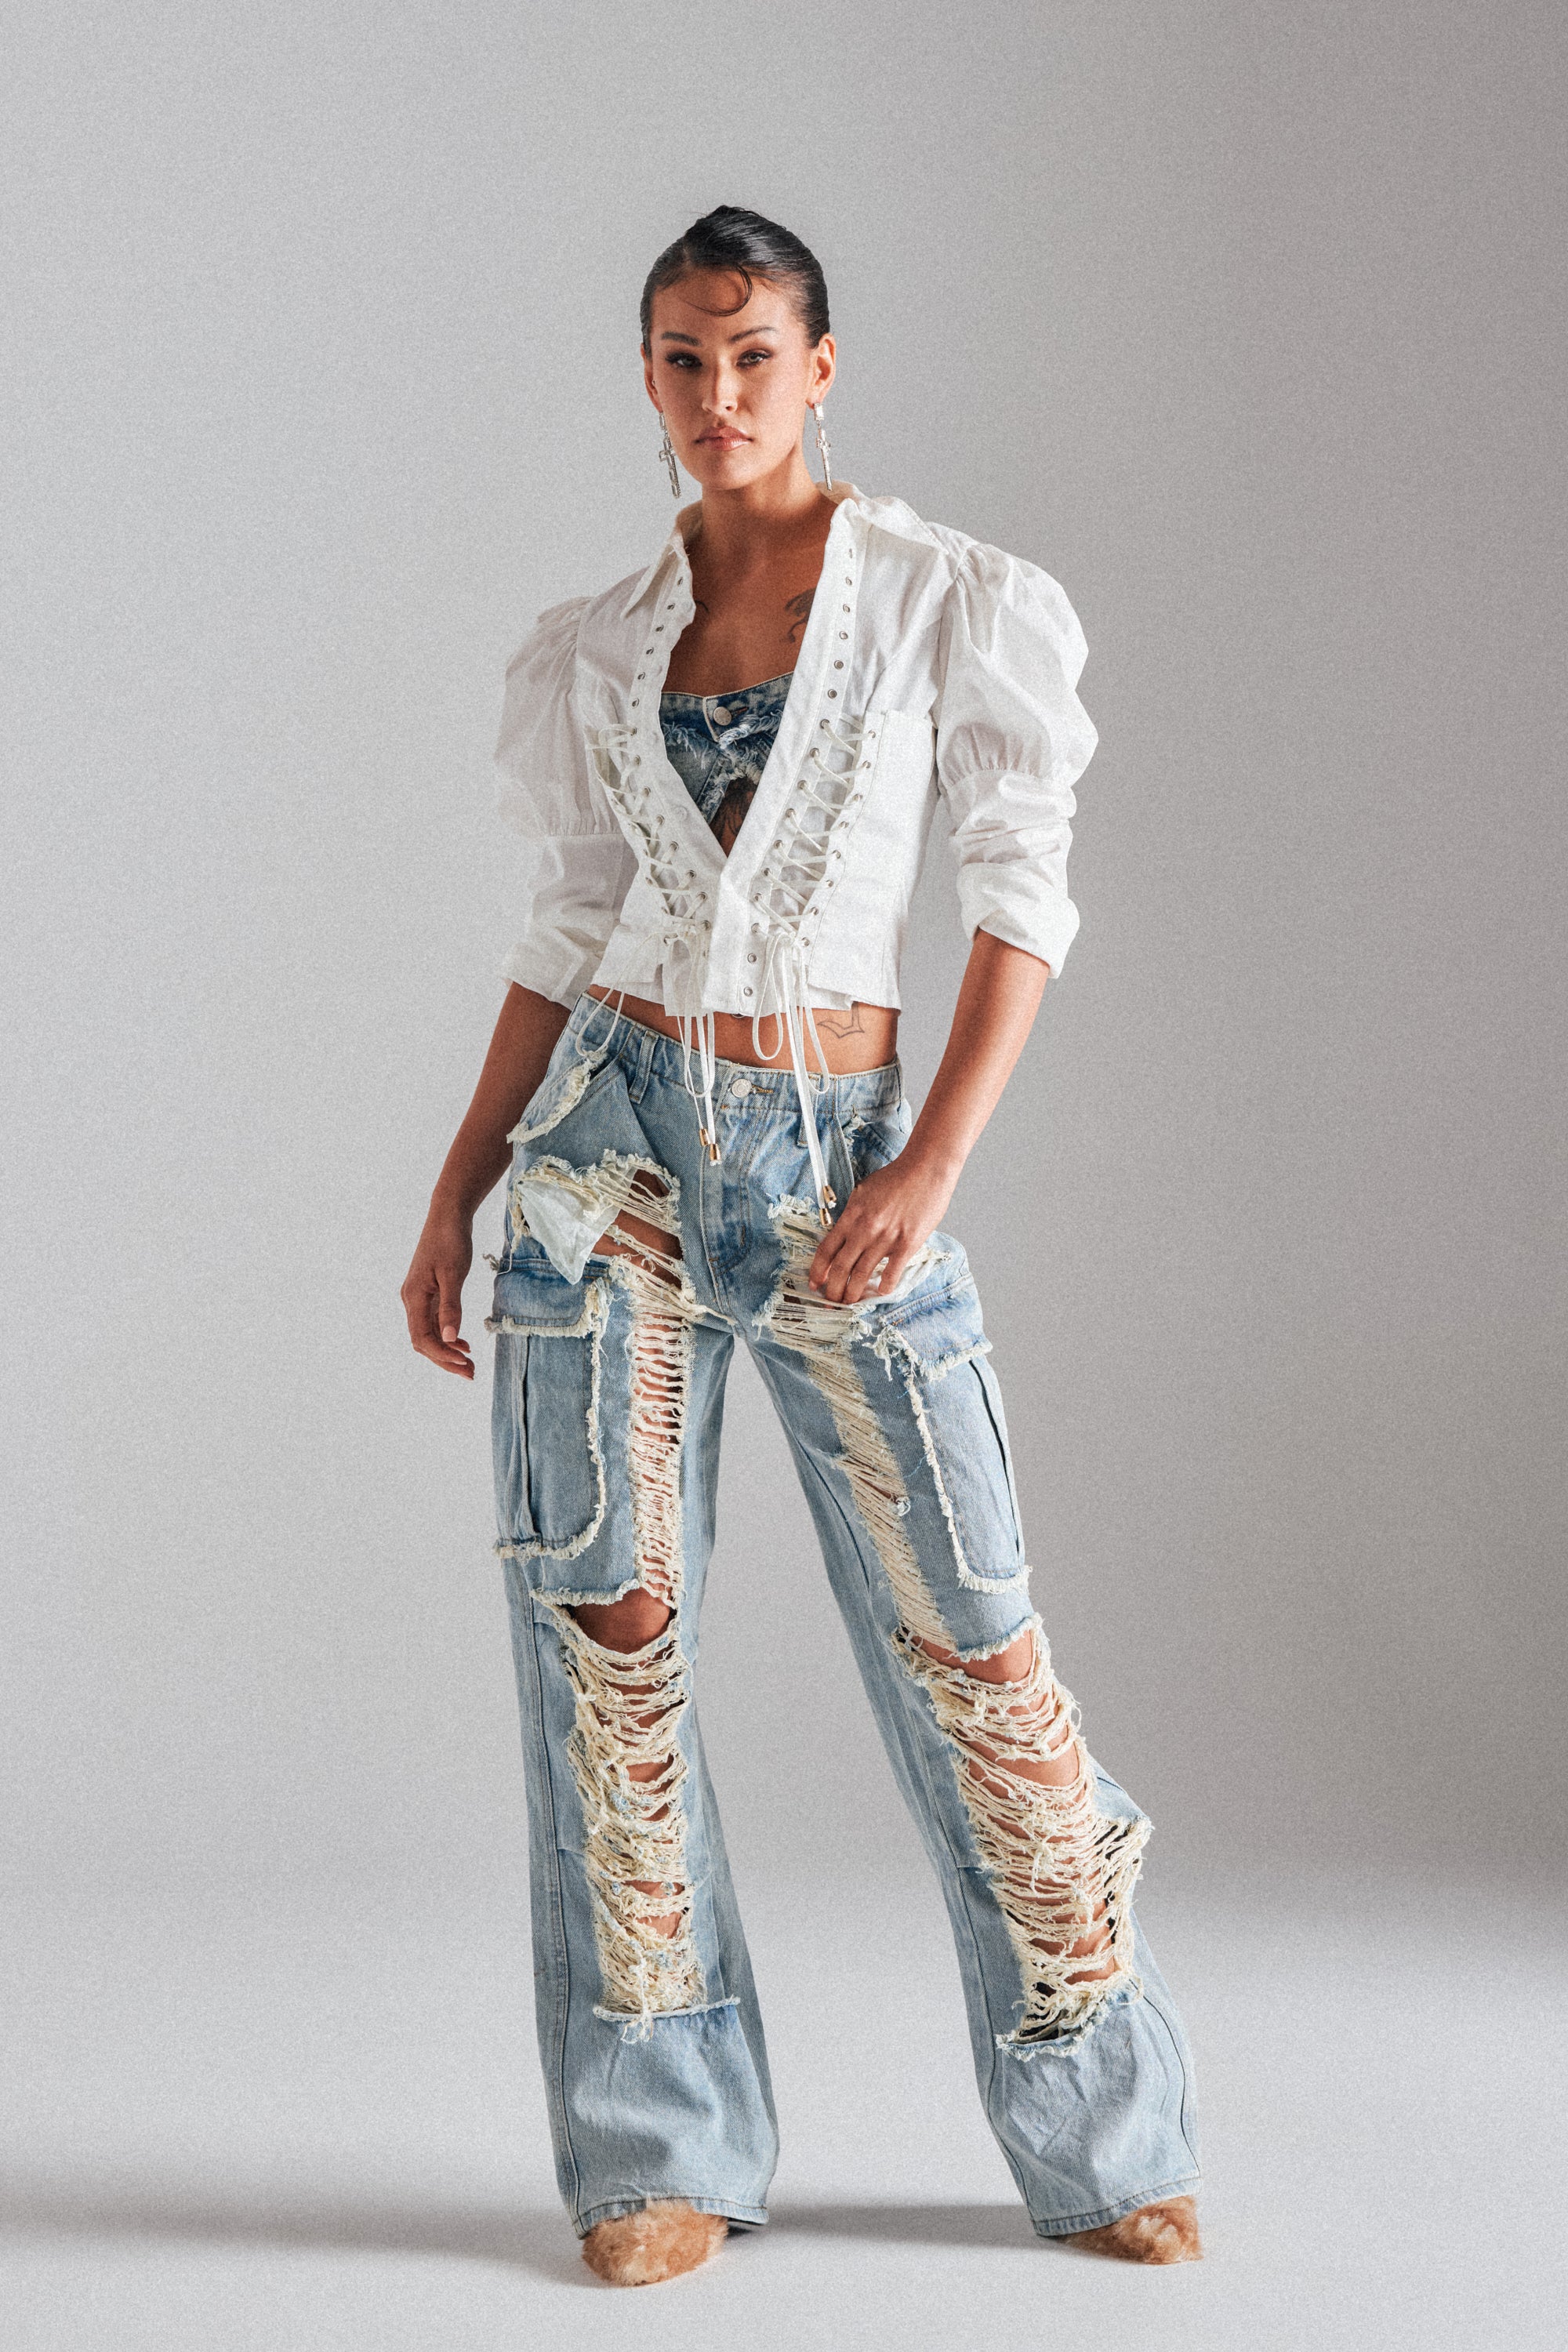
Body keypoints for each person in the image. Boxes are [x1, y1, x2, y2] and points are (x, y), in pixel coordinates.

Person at [401, 205, 1201, 2286]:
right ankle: (659, 2149)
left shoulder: (947, 599)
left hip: (841, 1159)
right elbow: (572, 923)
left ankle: (1106, 2136)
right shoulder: (599, 643)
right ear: (648, 376)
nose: (718, 394)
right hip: (606, 1165)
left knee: (976, 1642)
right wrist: (458, 1181)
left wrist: (927, 1167)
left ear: (821, 367)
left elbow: (1022, 896)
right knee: (611, 1649)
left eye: (752, 354)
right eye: (682, 358)